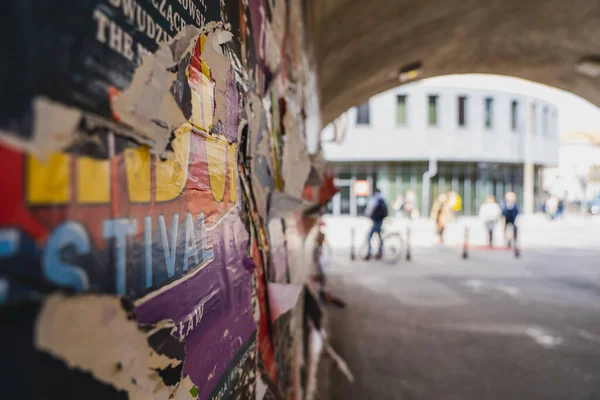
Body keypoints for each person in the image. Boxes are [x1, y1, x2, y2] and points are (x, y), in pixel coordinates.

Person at [364, 189, 388, 259]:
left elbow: (370, 209)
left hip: (376, 221)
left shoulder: (376, 200)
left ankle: (369, 252)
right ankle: (379, 251)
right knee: (379, 236)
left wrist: (367, 215)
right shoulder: (383, 199)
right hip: (380, 220)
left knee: (370, 236)